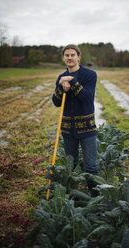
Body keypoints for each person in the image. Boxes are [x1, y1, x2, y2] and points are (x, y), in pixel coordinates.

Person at [52, 44, 99, 196]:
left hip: (87, 128)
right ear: (63, 58)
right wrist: (61, 88)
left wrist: (72, 82)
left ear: (79, 57)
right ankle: (73, 195)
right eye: (67, 55)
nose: (70, 58)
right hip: (67, 129)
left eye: (73, 55)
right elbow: (56, 102)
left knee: (90, 165)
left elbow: (86, 98)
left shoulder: (90, 75)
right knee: (71, 165)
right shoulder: (61, 77)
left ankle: (95, 196)